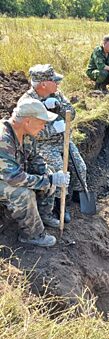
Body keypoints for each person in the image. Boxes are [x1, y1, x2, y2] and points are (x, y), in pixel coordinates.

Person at [18, 64, 87, 223]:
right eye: (54, 80)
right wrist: (53, 129)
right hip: (44, 145)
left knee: (81, 167)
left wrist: (59, 105)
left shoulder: (57, 94)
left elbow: (73, 113)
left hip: (64, 140)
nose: (58, 83)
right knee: (58, 171)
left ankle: (74, 194)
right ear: (43, 84)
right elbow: (30, 133)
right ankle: (59, 205)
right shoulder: (27, 102)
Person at [0, 99, 70, 247]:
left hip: (11, 174)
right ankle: (32, 235)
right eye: (42, 122)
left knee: (47, 173)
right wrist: (49, 180)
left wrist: (50, 175)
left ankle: (43, 214)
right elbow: (13, 178)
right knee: (23, 194)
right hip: (7, 177)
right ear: (27, 121)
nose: (44, 126)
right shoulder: (3, 139)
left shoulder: (26, 134)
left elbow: (34, 159)